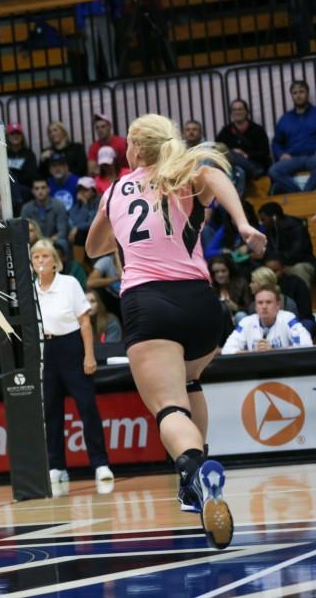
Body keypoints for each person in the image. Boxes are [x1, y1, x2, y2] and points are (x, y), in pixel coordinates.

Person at [86, 112, 268, 550]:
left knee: (169, 408)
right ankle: (195, 472)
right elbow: (214, 174)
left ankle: (193, 469)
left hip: (150, 304)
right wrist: (243, 224)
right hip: (203, 305)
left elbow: (93, 249)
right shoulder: (188, 174)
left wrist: (127, 236)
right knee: (189, 380)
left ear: (132, 149)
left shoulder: (114, 191)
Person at [31, 238, 113, 485]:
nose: (41, 261)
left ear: (55, 261)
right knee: (52, 411)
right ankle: (56, 465)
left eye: (45, 256)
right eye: (36, 257)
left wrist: (89, 355)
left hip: (72, 346)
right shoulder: (31, 289)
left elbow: (85, 322)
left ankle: (100, 464)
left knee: (87, 407)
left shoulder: (69, 283)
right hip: (46, 348)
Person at [221, 287, 313, 354]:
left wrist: (273, 350)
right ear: (255, 307)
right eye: (260, 303)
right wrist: (253, 352)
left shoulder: (287, 318)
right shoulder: (246, 322)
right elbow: (227, 350)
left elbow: (306, 345)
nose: (264, 307)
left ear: (278, 305)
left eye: (268, 302)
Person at [76, 0, 119, 82]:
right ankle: (93, 81)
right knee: (92, 55)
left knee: (109, 52)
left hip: (105, 19)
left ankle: (114, 80)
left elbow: (116, 2)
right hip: (89, 21)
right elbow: (79, 6)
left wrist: (116, 16)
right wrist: (80, 25)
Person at [215, 99, 273, 193]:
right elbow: (217, 149)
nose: (237, 112)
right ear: (231, 113)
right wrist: (234, 153)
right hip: (233, 166)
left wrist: (246, 155)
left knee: (238, 169)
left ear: (246, 112)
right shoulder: (225, 132)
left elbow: (264, 153)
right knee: (233, 160)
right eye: (234, 110)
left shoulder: (258, 130)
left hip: (255, 164)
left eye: (240, 109)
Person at [269, 79, 316, 193]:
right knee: (274, 170)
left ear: (307, 93)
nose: (298, 95)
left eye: (301, 91)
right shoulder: (285, 119)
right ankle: (302, 192)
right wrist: (280, 154)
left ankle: (305, 193)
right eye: (295, 93)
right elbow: (276, 142)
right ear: (291, 96)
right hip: (293, 158)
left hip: (313, 157)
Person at [21, 179, 69, 252]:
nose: (40, 191)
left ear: (48, 189)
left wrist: (48, 241)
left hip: (54, 240)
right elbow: (24, 232)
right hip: (34, 240)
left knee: (63, 242)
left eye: (43, 187)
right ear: (32, 191)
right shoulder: (26, 208)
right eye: (37, 188)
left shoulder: (59, 205)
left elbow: (62, 232)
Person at [68, 176, 99, 246]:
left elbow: (93, 224)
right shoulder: (77, 205)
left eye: (85, 189)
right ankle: (78, 257)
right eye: (80, 190)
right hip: (81, 238)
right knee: (79, 234)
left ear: (93, 191)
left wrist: (77, 228)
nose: (82, 192)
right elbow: (76, 222)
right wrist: (84, 205)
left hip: (97, 236)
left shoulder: (99, 202)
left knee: (81, 232)